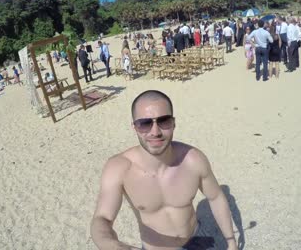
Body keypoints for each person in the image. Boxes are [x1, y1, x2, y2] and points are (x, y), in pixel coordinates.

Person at [90, 90, 238, 250]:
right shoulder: (119, 168)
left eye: (164, 121)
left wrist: (231, 242)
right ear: (134, 127)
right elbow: (102, 218)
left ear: (174, 123)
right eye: (145, 123)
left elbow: (216, 197)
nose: (155, 132)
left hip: (197, 240)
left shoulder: (193, 160)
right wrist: (112, 245)